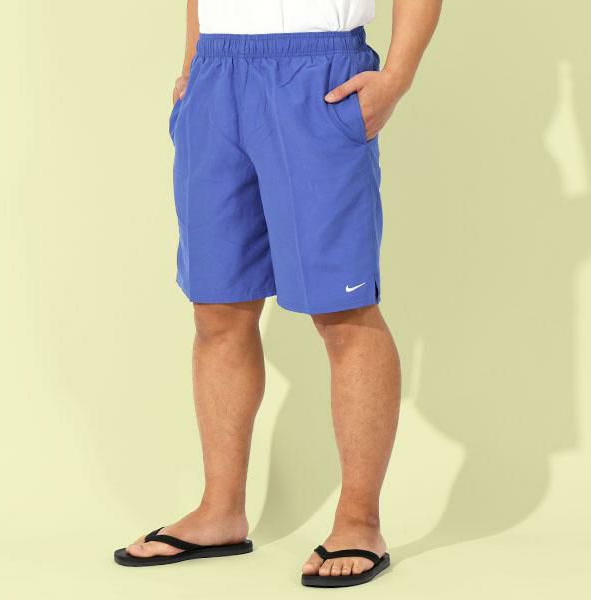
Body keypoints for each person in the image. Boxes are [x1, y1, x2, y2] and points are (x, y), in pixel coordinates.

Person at [114, 0, 442, 588]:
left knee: (343, 311)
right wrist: (192, 65)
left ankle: (360, 521)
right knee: (217, 307)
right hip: (216, 73)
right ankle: (220, 512)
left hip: (318, 71)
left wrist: (396, 77)